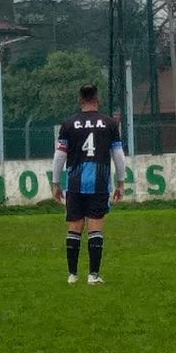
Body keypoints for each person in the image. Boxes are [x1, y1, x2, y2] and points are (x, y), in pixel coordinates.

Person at [52, 84, 125, 285]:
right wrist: (121, 182)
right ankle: (93, 275)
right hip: (99, 182)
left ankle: (72, 275)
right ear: (97, 99)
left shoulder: (68, 124)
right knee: (95, 228)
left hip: (75, 182)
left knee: (74, 228)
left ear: (80, 100)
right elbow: (118, 155)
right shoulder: (110, 123)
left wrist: (56, 182)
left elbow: (59, 156)